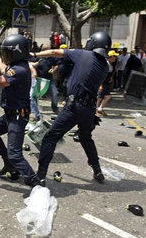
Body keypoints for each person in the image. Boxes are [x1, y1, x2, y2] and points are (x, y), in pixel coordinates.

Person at [33, 31, 111, 184]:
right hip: (89, 110)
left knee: (50, 138)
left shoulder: (83, 54)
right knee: (85, 137)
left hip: (75, 106)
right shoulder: (105, 66)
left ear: (92, 43)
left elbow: (55, 52)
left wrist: (35, 55)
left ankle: (41, 175)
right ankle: (98, 171)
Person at [0, 34, 43, 187]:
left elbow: (1, 81)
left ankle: (35, 183)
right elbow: (3, 68)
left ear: (16, 52)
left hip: (17, 116)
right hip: (9, 114)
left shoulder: (20, 69)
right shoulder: (15, 65)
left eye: (6, 53)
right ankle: (8, 164)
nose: (5, 56)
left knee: (15, 154)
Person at [36, 45, 59, 114]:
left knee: (55, 93)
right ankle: (34, 109)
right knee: (35, 95)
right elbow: (30, 63)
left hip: (49, 79)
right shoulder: (39, 57)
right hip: (39, 79)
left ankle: (55, 108)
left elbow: (57, 65)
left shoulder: (52, 58)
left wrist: (53, 70)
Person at [96, 50, 119, 116]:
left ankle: (100, 109)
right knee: (99, 97)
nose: (116, 58)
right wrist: (100, 85)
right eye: (115, 56)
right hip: (103, 83)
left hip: (106, 83)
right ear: (111, 56)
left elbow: (108, 74)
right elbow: (101, 75)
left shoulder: (110, 64)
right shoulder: (106, 64)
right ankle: (94, 110)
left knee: (107, 96)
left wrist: (110, 78)